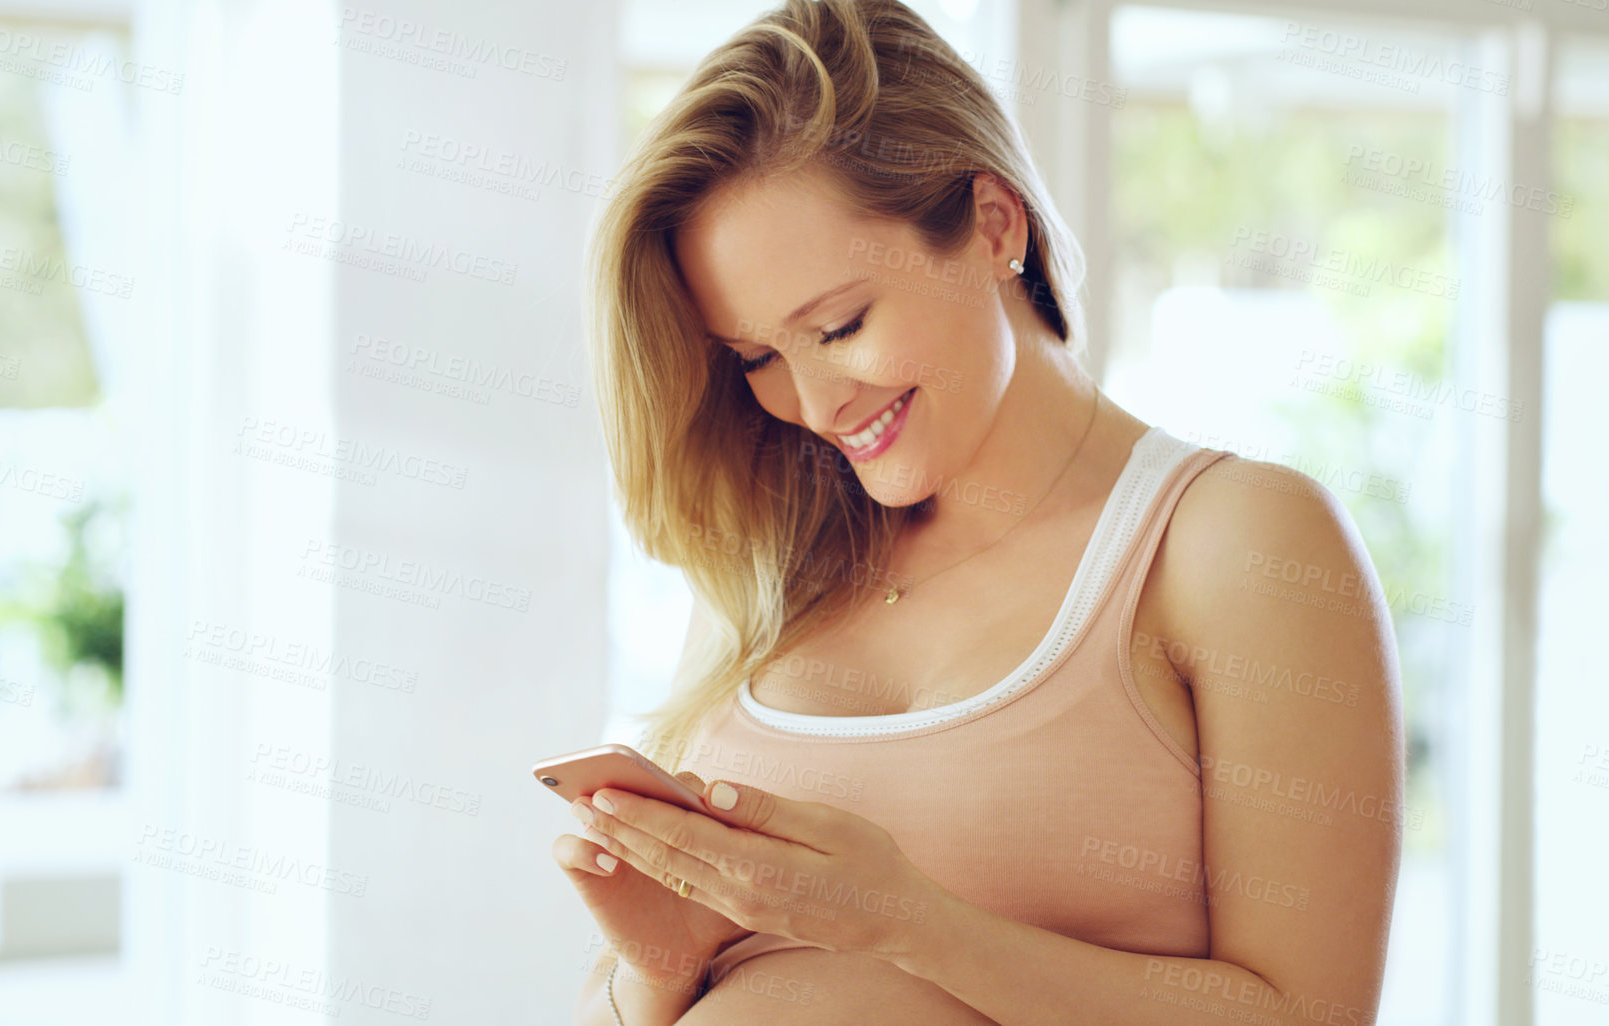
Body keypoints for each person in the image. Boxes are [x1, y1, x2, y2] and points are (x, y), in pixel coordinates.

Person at [553, 2, 1402, 1023]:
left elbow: (1310, 1015)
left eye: (839, 326)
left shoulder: (1237, 544)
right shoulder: (769, 561)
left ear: (996, 225)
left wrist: (912, 924)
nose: (816, 404)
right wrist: (658, 965)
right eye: (757, 359)